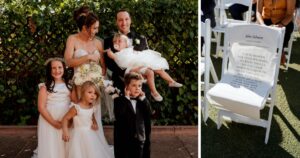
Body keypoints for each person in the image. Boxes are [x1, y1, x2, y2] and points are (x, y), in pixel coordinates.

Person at [64, 6, 114, 137]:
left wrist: (97, 80)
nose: (97, 31)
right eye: (95, 28)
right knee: (81, 116)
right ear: (85, 27)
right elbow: (68, 62)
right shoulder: (72, 39)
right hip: (79, 85)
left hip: (94, 87)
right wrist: (88, 57)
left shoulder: (98, 43)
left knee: (94, 116)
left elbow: (103, 66)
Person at [104, 9, 164, 102]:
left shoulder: (141, 38)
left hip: (142, 84)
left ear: (130, 20)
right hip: (120, 84)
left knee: (143, 114)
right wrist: (128, 72)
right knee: (123, 114)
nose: (124, 23)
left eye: (126, 19)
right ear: (116, 22)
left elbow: (148, 58)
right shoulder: (108, 40)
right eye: (120, 20)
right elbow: (109, 63)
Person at [106, 33, 182, 97]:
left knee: (159, 70)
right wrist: (110, 53)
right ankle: (154, 91)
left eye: (119, 41)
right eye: (114, 42)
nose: (117, 43)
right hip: (136, 67)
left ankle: (171, 81)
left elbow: (140, 49)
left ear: (126, 44)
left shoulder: (130, 48)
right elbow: (116, 59)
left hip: (143, 62)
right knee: (150, 73)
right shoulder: (118, 54)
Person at [32, 57, 76, 158]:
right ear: (49, 70)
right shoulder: (45, 87)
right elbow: (41, 107)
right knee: (51, 141)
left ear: (64, 69)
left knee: (65, 139)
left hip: (65, 117)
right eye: (54, 68)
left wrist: (70, 120)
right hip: (49, 119)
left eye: (60, 67)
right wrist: (53, 122)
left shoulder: (69, 85)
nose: (57, 70)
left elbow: (74, 102)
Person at [62, 81, 114, 158]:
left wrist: (95, 124)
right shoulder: (76, 108)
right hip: (78, 136)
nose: (93, 95)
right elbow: (65, 119)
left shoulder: (91, 107)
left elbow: (92, 118)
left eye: (95, 93)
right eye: (90, 92)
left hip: (90, 135)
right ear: (82, 93)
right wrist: (65, 131)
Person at [114, 72, 151, 158]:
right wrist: (126, 99)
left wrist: (144, 99)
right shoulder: (120, 100)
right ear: (127, 86)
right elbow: (119, 114)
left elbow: (148, 113)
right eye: (134, 85)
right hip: (124, 139)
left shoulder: (142, 100)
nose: (137, 88)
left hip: (140, 136)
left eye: (139, 86)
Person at [256, 0, 296, 64]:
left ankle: (279, 50)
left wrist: (280, 25)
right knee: (258, 31)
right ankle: (267, 55)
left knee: (289, 27)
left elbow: (290, 14)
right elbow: (258, 12)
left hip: (282, 20)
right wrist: (263, 25)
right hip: (265, 20)